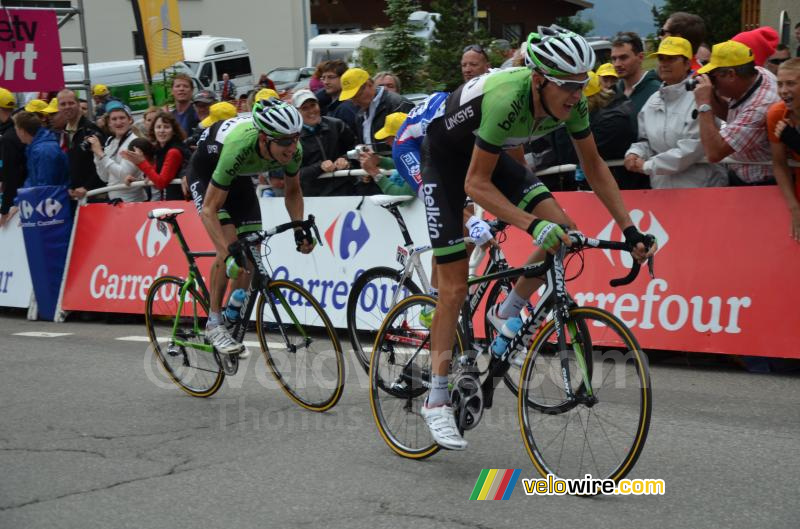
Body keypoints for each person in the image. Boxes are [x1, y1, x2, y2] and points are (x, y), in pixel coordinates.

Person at [417, 25, 655, 450]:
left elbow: (595, 166)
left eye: (582, 84)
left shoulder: (572, 103)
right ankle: (436, 399)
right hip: (446, 162)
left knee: (565, 231)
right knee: (453, 288)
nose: (576, 95)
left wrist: (629, 227)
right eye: (568, 85)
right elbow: (474, 184)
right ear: (540, 79)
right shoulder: (506, 98)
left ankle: (506, 312)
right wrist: (531, 224)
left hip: (490, 156)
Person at [186, 98, 313, 354]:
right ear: (264, 139)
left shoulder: (294, 150)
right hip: (208, 173)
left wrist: (299, 229)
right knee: (230, 249)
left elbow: (293, 191)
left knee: (252, 253)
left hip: (238, 177)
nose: (292, 147)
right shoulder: (239, 146)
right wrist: (226, 254)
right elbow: (209, 210)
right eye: (285, 142)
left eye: (296, 138)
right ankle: (214, 323)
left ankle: (232, 314)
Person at [624, 37, 728, 189]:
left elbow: (693, 148)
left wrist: (648, 165)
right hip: (662, 189)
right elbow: (645, 141)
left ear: (687, 64)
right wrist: (634, 153)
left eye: (671, 59)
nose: (664, 63)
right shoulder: (653, 101)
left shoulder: (701, 96)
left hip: (701, 188)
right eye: (661, 58)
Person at [694, 40, 779, 185]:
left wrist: (703, 104)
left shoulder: (760, 107)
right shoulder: (757, 74)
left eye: (713, 76)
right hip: (744, 176)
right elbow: (729, 115)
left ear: (731, 75)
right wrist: (711, 92)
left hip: (760, 185)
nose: (712, 81)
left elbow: (714, 153)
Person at [291, 89, 357, 196]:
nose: (311, 111)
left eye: (313, 105)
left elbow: (355, 147)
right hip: (315, 197)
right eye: (305, 108)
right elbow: (293, 174)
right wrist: (319, 167)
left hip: (347, 189)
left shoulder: (336, 125)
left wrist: (345, 159)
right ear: (296, 112)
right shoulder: (292, 138)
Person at [338, 68, 414, 153]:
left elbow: (412, 144)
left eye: (356, 96)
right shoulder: (361, 113)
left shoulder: (398, 104)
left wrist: (381, 159)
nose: (355, 103)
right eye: (351, 98)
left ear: (369, 85)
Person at [87, 101, 147, 203]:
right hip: (114, 202)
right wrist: (96, 154)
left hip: (133, 202)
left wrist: (101, 154)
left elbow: (125, 174)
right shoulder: (110, 141)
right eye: (114, 119)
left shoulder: (135, 141)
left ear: (130, 120)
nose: (118, 122)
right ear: (109, 123)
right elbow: (105, 177)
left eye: (122, 118)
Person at [767, 58, 800, 241]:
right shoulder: (777, 114)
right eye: (779, 84)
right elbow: (779, 164)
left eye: (790, 83)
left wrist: (795, 141)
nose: (783, 91)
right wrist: (794, 207)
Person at [122, 111, 190, 200]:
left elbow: (161, 183)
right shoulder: (160, 150)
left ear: (173, 131)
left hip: (181, 201)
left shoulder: (173, 152)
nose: (162, 131)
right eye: (158, 127)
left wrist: (141, 162)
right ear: (153, 130)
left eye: (166, 127)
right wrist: (136, 180)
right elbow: (154, 179)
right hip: (171, 200)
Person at [55, 89, 105, 202]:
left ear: (78, 105)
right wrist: (69, 186)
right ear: (58, 107)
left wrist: (87, 187)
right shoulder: (63, 132)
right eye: (63, 104)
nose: (67, 107)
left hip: (94, 195)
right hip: (75, 197)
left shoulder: (90, 130)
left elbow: (103, 162)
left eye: (71, 103)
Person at [13, 111, 69, 187]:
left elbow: (46, 186)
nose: (15, 133)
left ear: (22, 131)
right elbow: (32, 180)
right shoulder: (34, 148)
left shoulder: (44, 150)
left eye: (16, 129)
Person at [611, 32, 661, 114]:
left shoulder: (657, 92)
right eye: (614, 59)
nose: (617, 64)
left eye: (623, 58)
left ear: (640, 57)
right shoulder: (614, 92)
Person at [0, 87, 25, 226]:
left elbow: (12, 174)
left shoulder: (9, 137)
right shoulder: (14, 130)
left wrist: (4, 209)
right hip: (18, 198)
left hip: (16, 204)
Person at [314, 60, 359, 134]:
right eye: (323, 78)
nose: (326, 82)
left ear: (344, 78)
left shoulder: (346, 108)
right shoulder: (325, 104)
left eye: (331, 77)